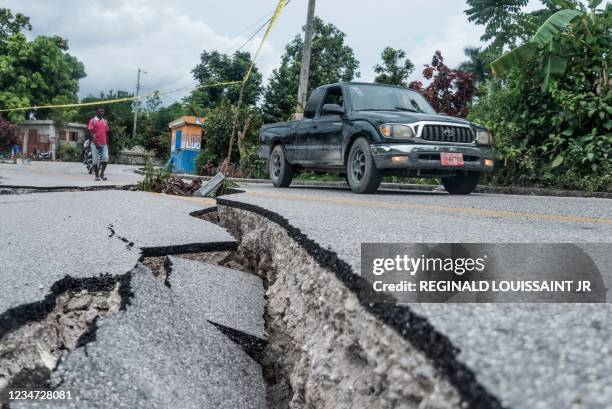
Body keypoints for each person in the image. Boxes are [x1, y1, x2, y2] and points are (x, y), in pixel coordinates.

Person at [88, 108, 110, 181]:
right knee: (95, 161)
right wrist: (96, 142)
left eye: (103, 111)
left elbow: (106, 132)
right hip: (94, 144)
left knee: (106, 159)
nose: (102, 112)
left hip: (104, 144)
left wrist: (106, 142)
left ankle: (101, 174)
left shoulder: (105, 121)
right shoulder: (93, 121)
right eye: (100, 111)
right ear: (97, 112)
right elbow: (91, 132)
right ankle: (97, 176)